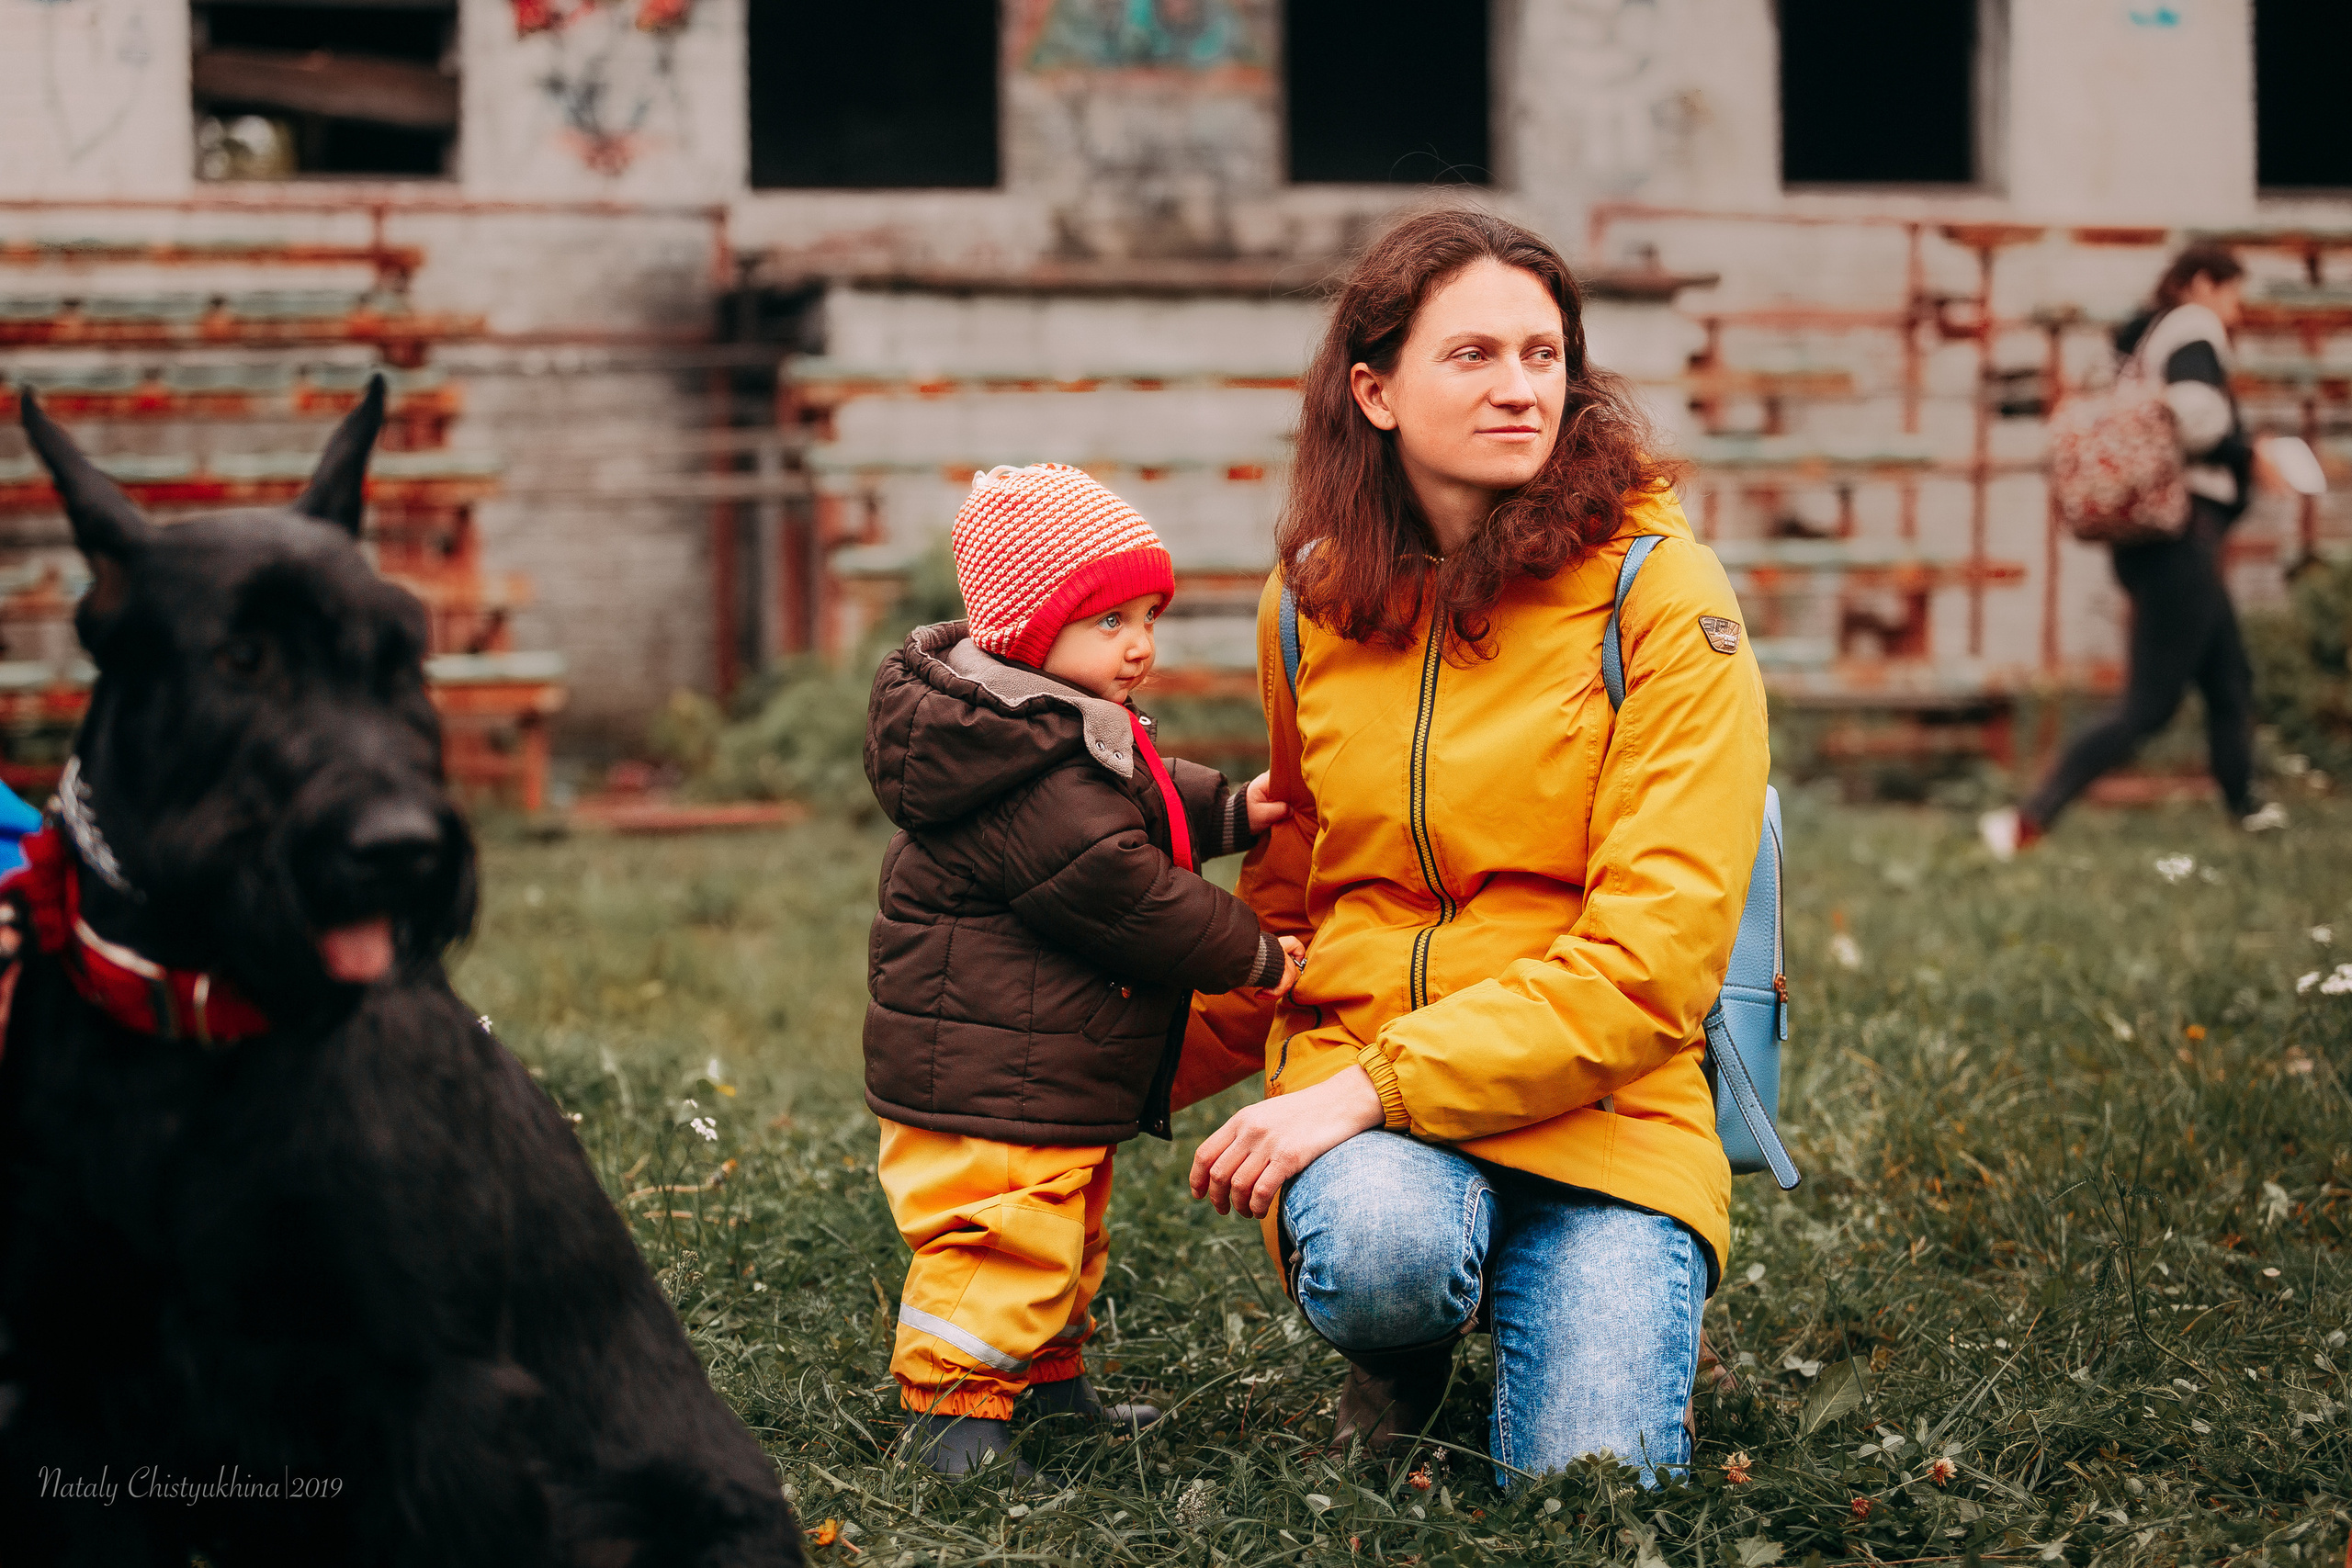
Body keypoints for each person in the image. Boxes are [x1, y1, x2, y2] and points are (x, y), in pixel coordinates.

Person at [1171, 210, 1770, 1488]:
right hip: (1375, 1108)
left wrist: (1363, 1090)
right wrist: (1073, 1072)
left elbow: (1655, 962)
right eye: (1474, 354)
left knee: (1589, 1485)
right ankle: (1405, 1341)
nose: (1520, 387)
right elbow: (1287, 903)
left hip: (1604, 1118)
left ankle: (1582, 1293)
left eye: (1544, 354)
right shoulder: (1311, 604)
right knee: (1385, 1252)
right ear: (1375, 391)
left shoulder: (1660, 594)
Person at [861, 462, 1304, 1477]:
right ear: (1028, 630)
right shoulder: (1029, 764)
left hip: (1033, 1060)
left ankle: (1046, 1387)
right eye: (1110, 621)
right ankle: (951, 1416)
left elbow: (1136, 795)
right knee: (1002, 1238)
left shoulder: (1039, 721)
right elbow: (1120, 884)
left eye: (1148, 616)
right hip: (988, 1074)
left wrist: (1229, 810)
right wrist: (1255, 953)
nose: (1140, 644)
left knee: (1062, 1231)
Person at [1983, 244, 2286, 857]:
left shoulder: (2140, 341)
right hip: (2181, 540)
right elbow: (2198, 420)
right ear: (2202, 284)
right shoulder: (2192, 328)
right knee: (2149, 705)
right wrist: (2250, 453)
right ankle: (2026, 820)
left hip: (2155, 541)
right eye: (2232, 293)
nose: (2237, 310)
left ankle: (2248, 812)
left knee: (2229, 681)